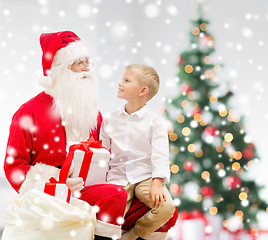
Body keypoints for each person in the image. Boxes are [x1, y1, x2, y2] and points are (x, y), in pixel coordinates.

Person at [3, 31, 127, 240]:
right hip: (48, 195)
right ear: (60, 70)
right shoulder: (28, 112)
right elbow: (14, 165)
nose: (87, 68)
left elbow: (106, 152)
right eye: (79, 62)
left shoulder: (92, 113)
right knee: (115, 195)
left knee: (136, 201)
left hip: (88, 189)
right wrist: (55, 184)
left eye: (88, 62)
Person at [100, 64, 176, 240]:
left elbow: (160, 155)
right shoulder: (109, 120)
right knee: (110, 214)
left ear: (142, 91)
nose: (120, 83)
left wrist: (158, 182)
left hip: (145, 177)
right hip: (117, 177)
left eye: (127, 80)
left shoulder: (155, 122)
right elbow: (103, 152)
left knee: (166, 208)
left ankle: (131, 236)